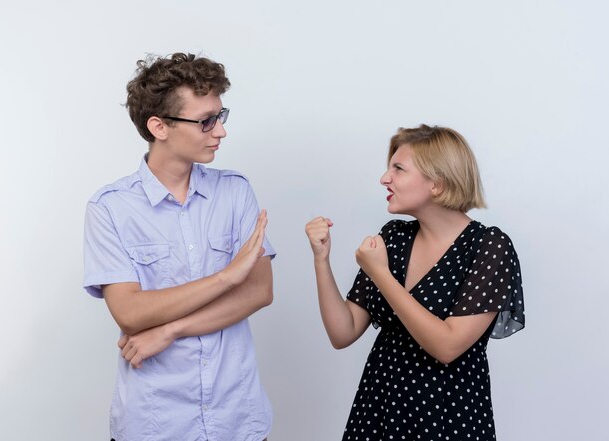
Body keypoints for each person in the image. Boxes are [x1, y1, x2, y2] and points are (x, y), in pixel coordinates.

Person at [83, 53, 275, 441]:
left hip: (237, 419)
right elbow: (131, 314)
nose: (219, 132)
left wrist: (170, 329)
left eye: (221, 117)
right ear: (159, 126)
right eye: (206, 121)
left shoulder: (235, 191)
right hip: (156, 423)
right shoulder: (109, 208)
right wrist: (226, 277)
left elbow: (258, 291)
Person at [305, 124, 524, 440]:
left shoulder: (489, 247)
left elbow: (447, 347)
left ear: (437, 183)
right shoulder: (393, 238)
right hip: (378, 409)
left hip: (448, 417)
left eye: (398, 169)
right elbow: (343, 332)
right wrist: (320, 259)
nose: (384, 178)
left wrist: (380, 274)